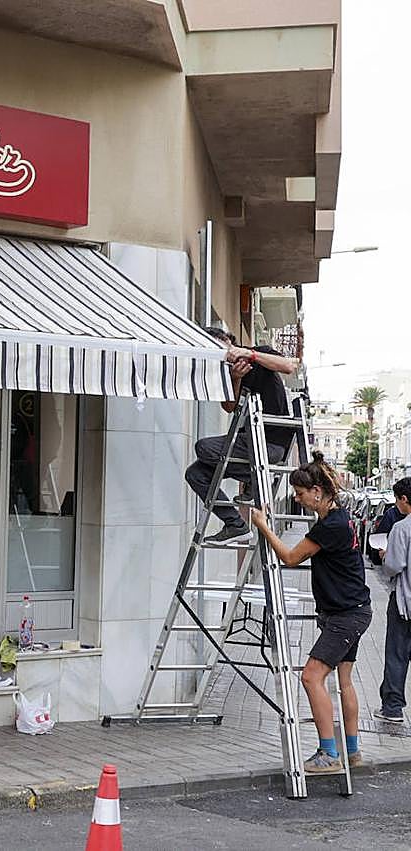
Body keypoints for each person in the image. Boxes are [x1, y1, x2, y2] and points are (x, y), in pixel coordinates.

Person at [252, 452, 372, 773]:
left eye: (300, 492)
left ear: (317, 491)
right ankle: (352, 749)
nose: (296, 497)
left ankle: (328, 754)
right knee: (344, 680)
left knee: (311, 676)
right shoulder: (340, 517)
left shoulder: (330, 526)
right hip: (354, 610)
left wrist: (263, 526)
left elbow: (291, 558)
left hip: (346, 615)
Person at [185, 328, 299, 543]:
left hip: (271, 444)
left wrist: (250, 355)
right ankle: (235, 525)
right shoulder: (225, 373)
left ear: (231, 343)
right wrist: (235, 378)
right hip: (248, 444)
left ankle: (256, 480)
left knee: (204, 448)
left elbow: (288, 366)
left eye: (224, 348)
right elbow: (229, 406)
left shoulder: (259, 353)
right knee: (195, 473)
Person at [374, 477, 411, 722]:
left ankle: (392, 707)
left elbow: (394, 566)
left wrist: (385, 555)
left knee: (397, 654)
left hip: (404, 603)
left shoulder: (402, 528)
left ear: (404, 499)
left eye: (397, 501)